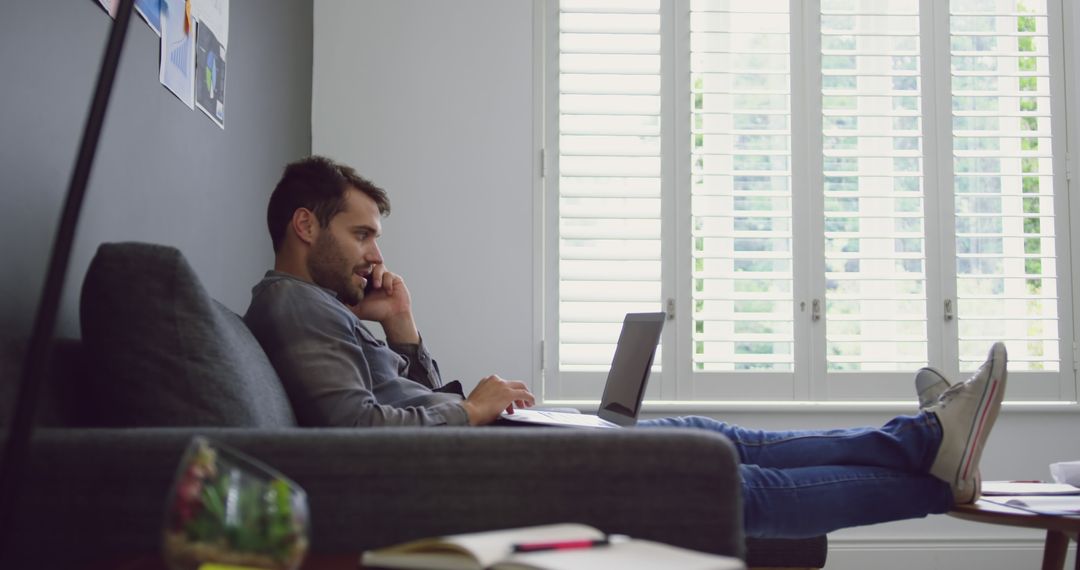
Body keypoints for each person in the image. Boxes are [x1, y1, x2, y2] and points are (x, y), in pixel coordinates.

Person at [244, 156, 1008, 539]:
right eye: (362, 233)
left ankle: (925, 440)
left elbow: (399, 405)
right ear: (305, 226)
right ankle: (937, 470)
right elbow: (358, 437)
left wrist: (404, 333)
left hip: (501, 455)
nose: (375, 254)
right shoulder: (291, 306)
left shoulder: (325, 308)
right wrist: (474, 413)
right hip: (493, 480)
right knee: (735, 484)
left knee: (728, 439)